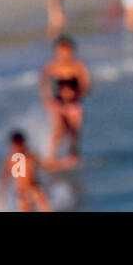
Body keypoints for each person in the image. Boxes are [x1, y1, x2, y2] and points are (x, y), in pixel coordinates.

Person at [41, 36, 92, 169]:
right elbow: (43, 84)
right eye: (61, 52)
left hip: (74, 102)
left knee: (74, 130)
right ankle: (51, 157)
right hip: (58, 103)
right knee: (59, 128)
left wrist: (78, 94)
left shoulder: (79, 66)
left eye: (67, 52)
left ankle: (73, 155)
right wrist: (48, 100)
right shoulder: (52, 67)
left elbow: (87, 84)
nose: (64, 55)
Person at [0, 131, 53, 212]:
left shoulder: (30, 156)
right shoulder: (10, 160)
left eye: (19, 144)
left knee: (39, 198)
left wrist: (63, 164)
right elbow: (4, 180)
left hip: (34, 190)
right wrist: (1, 197)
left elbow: (45, 166)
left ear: (23, 143)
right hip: (21, 194)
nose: (17, 147)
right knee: (22, 200)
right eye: (15, 145)